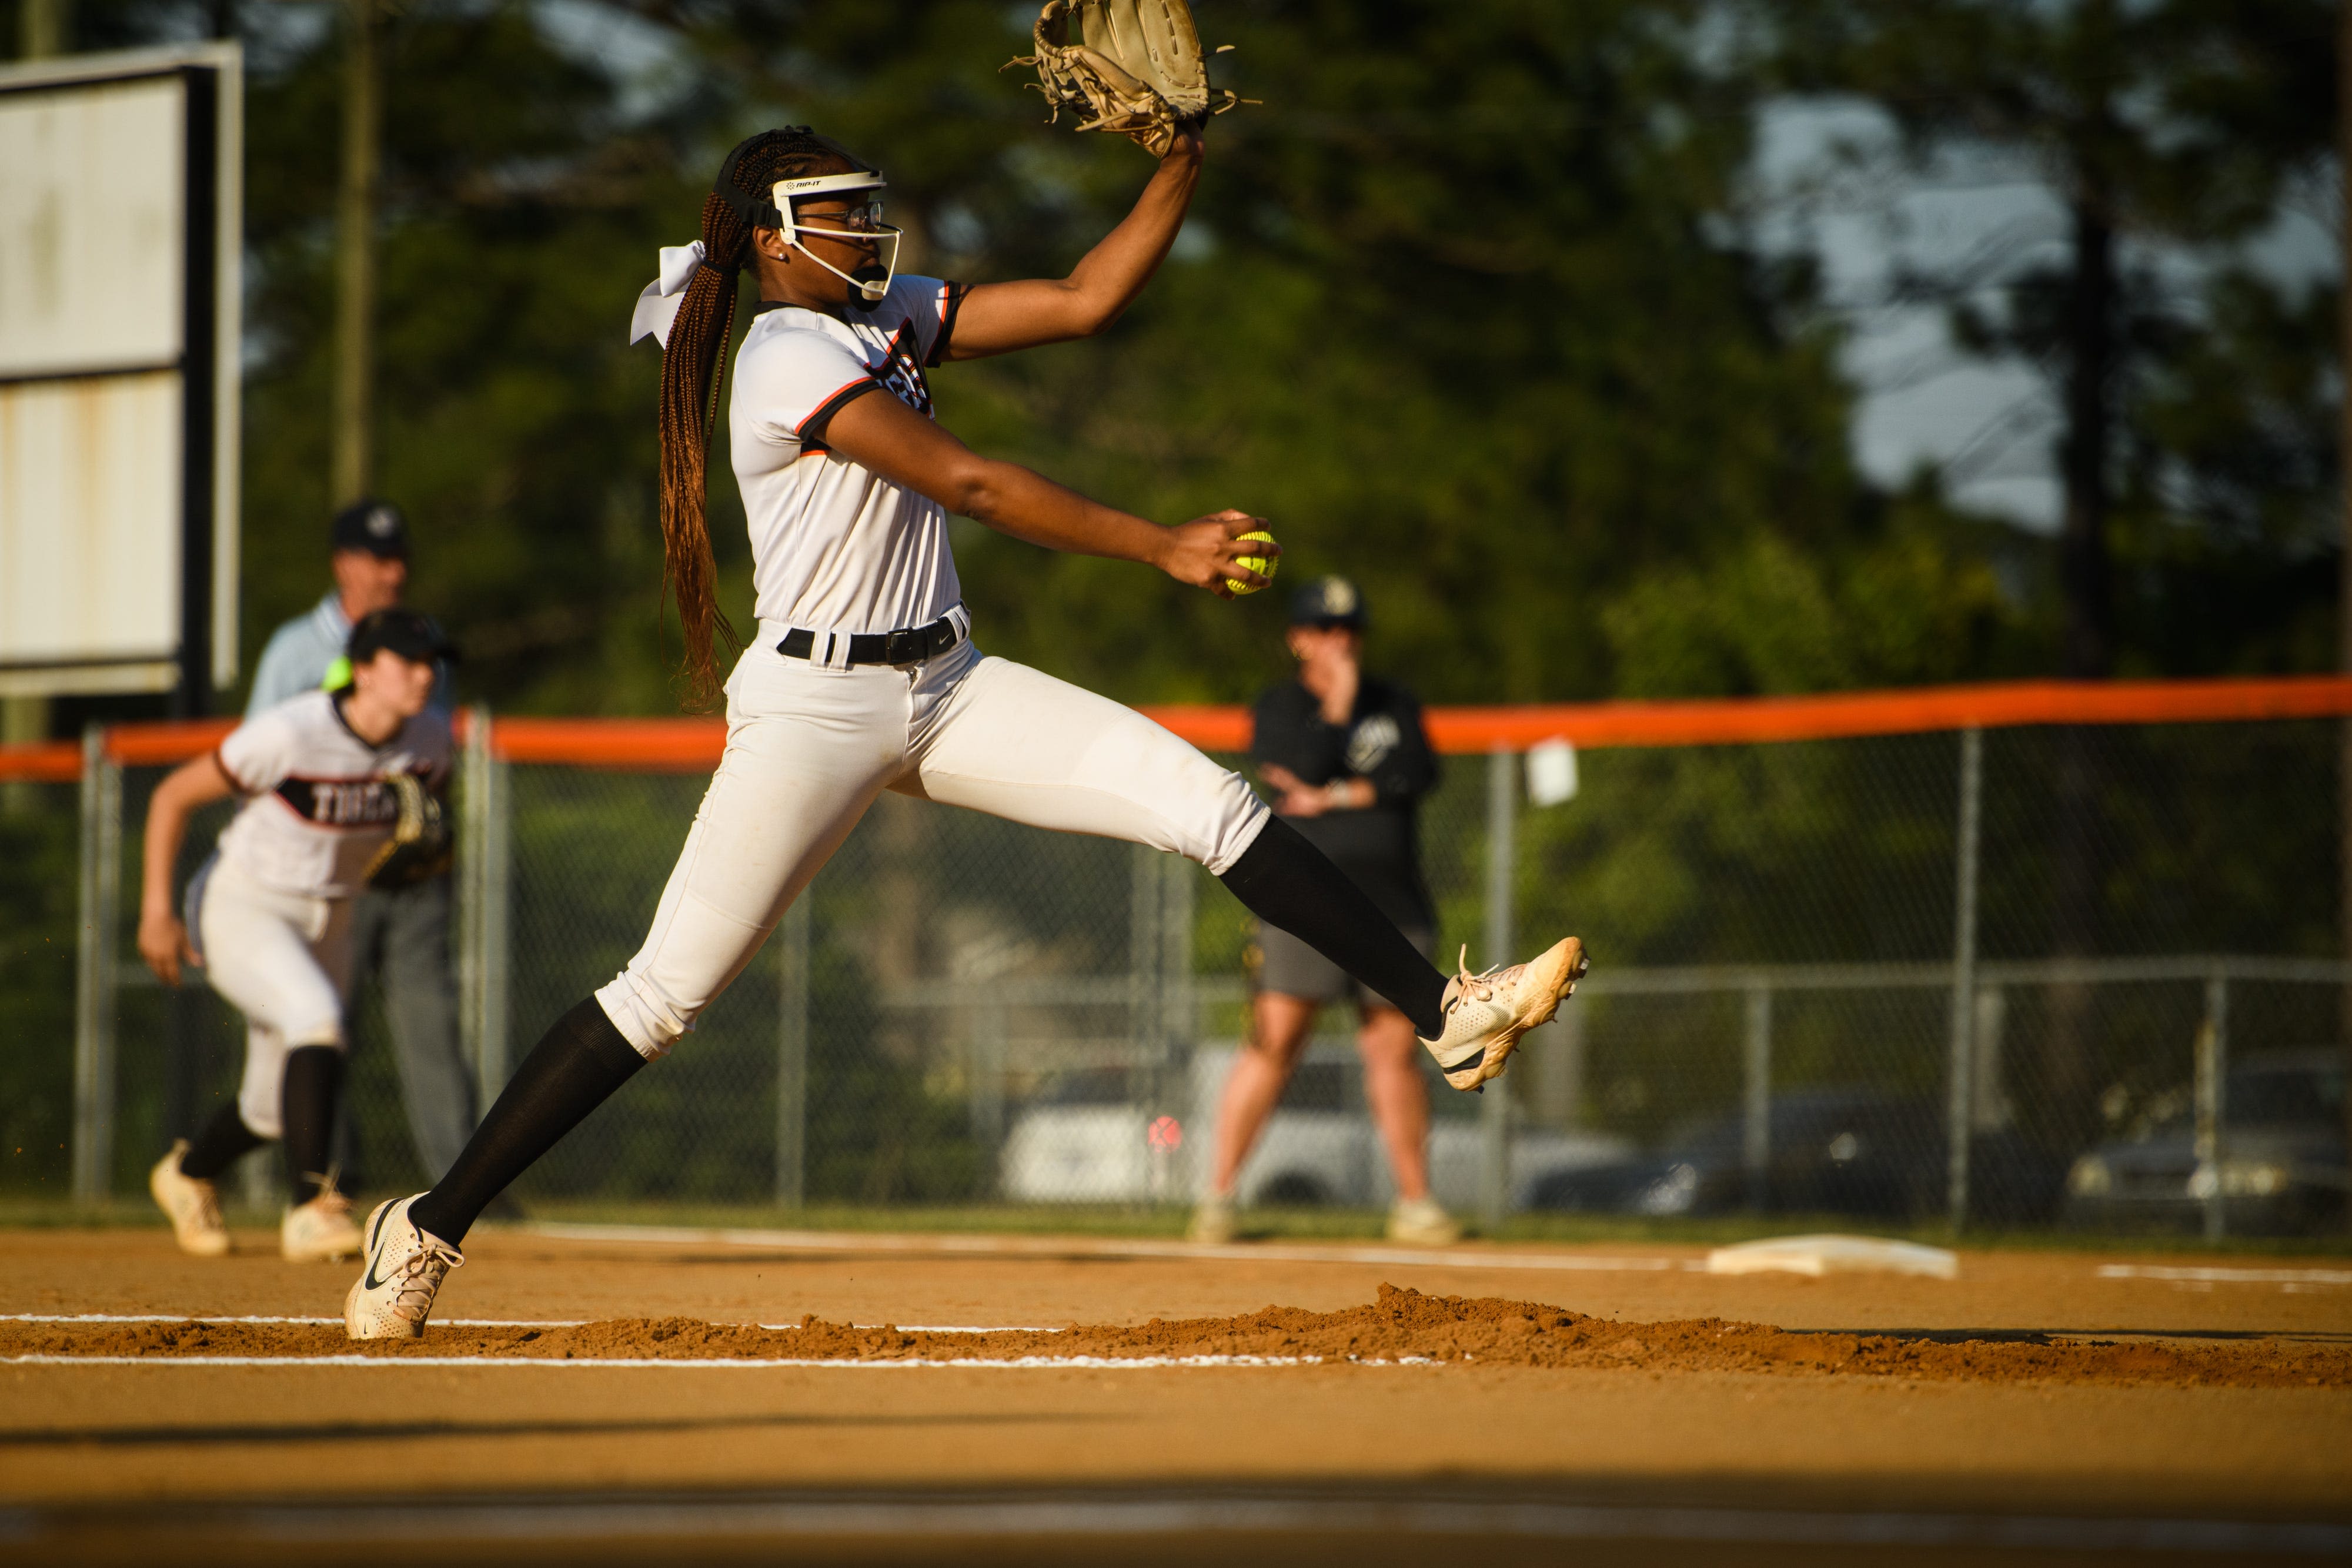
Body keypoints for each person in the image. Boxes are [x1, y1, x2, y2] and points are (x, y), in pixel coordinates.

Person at [345, 125, 1586, 1339]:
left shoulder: (879, 314)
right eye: (838, 213)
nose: (867, 227)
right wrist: (1159, 543)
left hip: (947, 685)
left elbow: (1086, 297)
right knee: (662, 997)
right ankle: (427, 1222)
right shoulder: (783, 350)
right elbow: (970, 483)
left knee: (1208, 806)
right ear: (776, 242)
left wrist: (1179, 163)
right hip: (813, 709)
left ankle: (1447, 1012)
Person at [143, 610, 456, 1262]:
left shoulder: (429, 741)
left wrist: (424, 855)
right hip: (244, 904)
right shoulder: (291, 732)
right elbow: (173, 795)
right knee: (315, 1021)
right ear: (364, 670)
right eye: (407, 661)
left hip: (332, 917)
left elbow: (428, 824)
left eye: (431, 662)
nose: (424, 675)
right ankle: (311, 1206)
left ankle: (189, 1173)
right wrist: (157, 911)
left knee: (270, 1108)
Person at [1193, 577, 1456, 1245]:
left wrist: (1335, 795)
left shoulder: (1395, 701)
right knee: (1275, 1040)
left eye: (1350, 630)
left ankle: (1416, 1203)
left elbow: (1416, 775)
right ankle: (1219, 1197)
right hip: (1298, 906)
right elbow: (1295, 766)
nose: (1342, 642)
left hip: (1394, 905)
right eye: (1326, 630)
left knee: (1394, 1050)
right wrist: (1337, 713)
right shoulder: (1282, 705)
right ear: (1297, 639)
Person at [248, 501, 476, 1187]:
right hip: (328, 872)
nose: (394, 570)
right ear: (343, 563)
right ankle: (325, 1184)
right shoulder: (296, 651)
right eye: (378, 557)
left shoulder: (424, 639)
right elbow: (256, 762)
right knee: (321, 1025)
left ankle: (464, 1188)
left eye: (400, 556)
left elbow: (437, 756)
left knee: (431, 1027)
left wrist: (436, 834)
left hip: (405, 874)